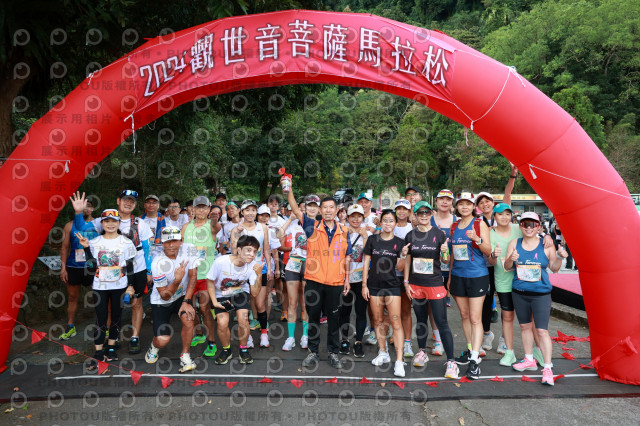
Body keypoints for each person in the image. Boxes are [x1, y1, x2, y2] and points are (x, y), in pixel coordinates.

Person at [71, 190, 153, 355]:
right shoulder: (103, 218)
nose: (128, 203)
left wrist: (149, 270)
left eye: (132, 201)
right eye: (125, 200)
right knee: (109, 305)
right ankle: (111, 338)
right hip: (109, 271)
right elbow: (81, 227)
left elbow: (147, 248)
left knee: (136, 303)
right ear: (118, 201)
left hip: (136, 267)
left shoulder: (140, 223)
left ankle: (135, 337)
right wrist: (78, 212)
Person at [286, 179, 352, 369]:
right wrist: (289, 189)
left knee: (334, 319)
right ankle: (313, 351)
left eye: (331, 207)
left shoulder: (344, 231)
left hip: (336, 283)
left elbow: (347, 257)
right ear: (320, 211)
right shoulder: (311, 226)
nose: (328, 210)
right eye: (325, 208)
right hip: (314, 281)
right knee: (313, 317)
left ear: (337, 209)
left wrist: (347, 280)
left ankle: (333, 352)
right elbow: (295, 209)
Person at [504, 212, 568, 386]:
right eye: (525, 224)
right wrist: (510, 259)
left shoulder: (546, 245)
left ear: (538, 226)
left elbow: (554, 268)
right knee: (525, 327)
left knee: (541, 331)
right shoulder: (514, 243)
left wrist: (560, 257)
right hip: (519, 292)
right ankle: (529, 359)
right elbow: (507, 267)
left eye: (533, 224)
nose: (529, 228)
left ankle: (547, 368)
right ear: (521, 226)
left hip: (540, 295)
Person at [404, 201, 459, 379]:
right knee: (421, 320)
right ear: (415, 216)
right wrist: (406, 282)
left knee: (441, 322)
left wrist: (444, 251)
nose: (424, 215)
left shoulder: (439, 234)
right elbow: (408, 260)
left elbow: (445, 260)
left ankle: (451, 362)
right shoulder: (410, 235)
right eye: (420, 213)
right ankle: (422, 352)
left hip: (434, 283)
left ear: (431, 214)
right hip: (416, 284)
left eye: (427, 212)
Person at [75, 209, 136, 369]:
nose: (110, 224)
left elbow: (130, 266)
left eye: (114, 221)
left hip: (120, 285)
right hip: (99, 286)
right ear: (102, 223)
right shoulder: (95, 242)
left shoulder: (126, 242)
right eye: (107, 221)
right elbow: (91, 266)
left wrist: (130, 286)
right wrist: (86, 248)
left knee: (116, 316)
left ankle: (111, 348)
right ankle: (98, 352)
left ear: (119, 223)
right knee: (100, 318)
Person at [448, 192, 491, 379]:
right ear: (457, 207)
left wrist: (477, 239)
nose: (464, 207)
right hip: (458, 276)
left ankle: (475, 359)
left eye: (468, 204)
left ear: (474, 206)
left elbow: (488, 250)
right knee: (464, 316)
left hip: (477, 276)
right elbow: (453, 254)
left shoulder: (479, 224)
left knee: (475, 318)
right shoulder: (454, 226)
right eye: (461, 204)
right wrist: (450, 276)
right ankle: (470, 348)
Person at [144, 227, 198, 373]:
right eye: (167, 242)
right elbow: (165, 295)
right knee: (162, 340)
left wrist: (186, 301)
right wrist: (177, 280)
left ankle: (185, 355)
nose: (171, 245)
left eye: (174, 240)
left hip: (181, 297)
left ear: (181, 241)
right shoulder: (157, 263)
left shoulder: (189, 249)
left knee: (189, 319)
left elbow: (193, 276)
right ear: (162, 243)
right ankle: (154, 346)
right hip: (162, 302)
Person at [362, 209, 408, 377]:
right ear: (380, 222)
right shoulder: (372, 239)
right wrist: (364, 285)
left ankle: (399, 361)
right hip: (374, 286)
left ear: (395, 223)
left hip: (392, 286)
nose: (388, 223)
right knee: (378, 320)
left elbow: (400, 268)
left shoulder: (400, 242)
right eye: (385, 220)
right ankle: (383, 352)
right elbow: (366, 262)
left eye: (391, 221)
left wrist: (403, 255)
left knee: (396, 322)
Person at [206, 235, 263, 365]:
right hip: (221, 293)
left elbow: (254, 293)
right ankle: (226, 350)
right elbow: (210, 281)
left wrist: (259, 275)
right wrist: (214, 302)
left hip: (240, 292)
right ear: (239, 250)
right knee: (222, 322)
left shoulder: (253, 266)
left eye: (255, 251)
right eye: (248, 250)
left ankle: (243, 350)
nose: (252, 254)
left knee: (243, 318)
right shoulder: (221, 261)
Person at [181, 196, 221, 358]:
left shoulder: (211, 226)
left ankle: (212, 342)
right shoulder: (186, 227)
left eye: (204, 207)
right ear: (193, 209)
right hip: (189, 275)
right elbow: (181, 248)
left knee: (205, 308)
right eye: (198, 207)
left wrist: (214, 219)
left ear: (209, 209)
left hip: (206, 275)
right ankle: (199, 333)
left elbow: (216, 227)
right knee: (191, 308)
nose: (201, 210)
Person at [230, 200, 272, 348]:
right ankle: (247, 337)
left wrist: (270, 267)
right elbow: (233, 251)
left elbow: (266, 248)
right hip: (242, 271)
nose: (250, 213)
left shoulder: (262, 227)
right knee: (244, 305)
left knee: (260, 303)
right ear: (242, 212)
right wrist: (237, 233)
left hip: (260, 269)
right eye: (247, 210)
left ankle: (264, 334)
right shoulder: (236, 229)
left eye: (253, 210)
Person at [487, 203, 521, 366]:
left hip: (523, 280)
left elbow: (536, 235)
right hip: (503, 280)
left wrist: (547, 237)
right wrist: (494, 255)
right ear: (494, 216)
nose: (504, 217)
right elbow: (491, 261)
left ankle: (536, 351)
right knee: (507, 316)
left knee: (529, 319)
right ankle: (509, 351)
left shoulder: (518, 229)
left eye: (507, 214)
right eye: (500, 214)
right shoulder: (490, 234)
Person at [59, 199, 97, 340]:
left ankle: (103, 325)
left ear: (93, 209)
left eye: (89, 206)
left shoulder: (98, 225)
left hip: (93, 267)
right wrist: (63, 269)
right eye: (83, 206)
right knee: (72, 297)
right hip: (74, 267)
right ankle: (70, 326)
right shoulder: (70, 225)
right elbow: (64, 248)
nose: (86, 209)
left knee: (101, 297)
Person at [339, 204, 370, 357]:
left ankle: (358, 342)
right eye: (353, 216)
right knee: (344, 311)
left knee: (360, 311)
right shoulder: (341, 232)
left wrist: (365, 237)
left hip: (361, 278)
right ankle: (344, 340)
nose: (356, 219)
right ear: (348, 217)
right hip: (344, 278)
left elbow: (369, 254)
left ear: (363, 218)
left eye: (359, 216)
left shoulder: (367, 234)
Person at [430, 189, 457, 353]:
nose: (445, 202)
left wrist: (451, 275)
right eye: (441, 199)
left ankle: (473, 345)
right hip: (433, 270)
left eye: (448, 199)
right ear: (436, 201)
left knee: (463, 309)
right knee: (434, 307)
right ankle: (438, 340)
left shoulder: (457, 221)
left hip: (454, 269)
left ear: (452, 202)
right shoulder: (428, 220)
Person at [278, 211, 309, 351]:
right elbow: (278, 237)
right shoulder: (293, 225)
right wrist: (290, 220)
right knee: (292, 302)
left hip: (310, 264)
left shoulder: (315, 224)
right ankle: (291, 338)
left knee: (305, 303)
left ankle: (305, 336)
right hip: (293, 263)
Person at [393, 199, 415, 359]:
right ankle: (394, 337)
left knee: (406, 310)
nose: (401, 211)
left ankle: (407, 342)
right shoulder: (390, 226)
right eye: (398, 208)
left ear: (409, 212)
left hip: (407, 276)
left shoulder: (413, 228)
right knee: (391, 312)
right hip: (390, 275)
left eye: (404, 209)